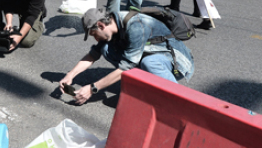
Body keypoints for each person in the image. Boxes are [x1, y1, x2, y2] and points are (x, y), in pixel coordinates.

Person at [59, 7, 195, 105]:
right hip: (151, 54)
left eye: (94, 34)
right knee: (106, 49)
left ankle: (178, 100)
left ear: (101, 25)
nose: (95, 39)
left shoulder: (136, 25)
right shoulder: (113, 25)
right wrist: (70, 75)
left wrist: (93, 88)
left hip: (177, 61)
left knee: (149, 63)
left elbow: (126, 67)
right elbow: (92, 55)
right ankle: (146, 85)